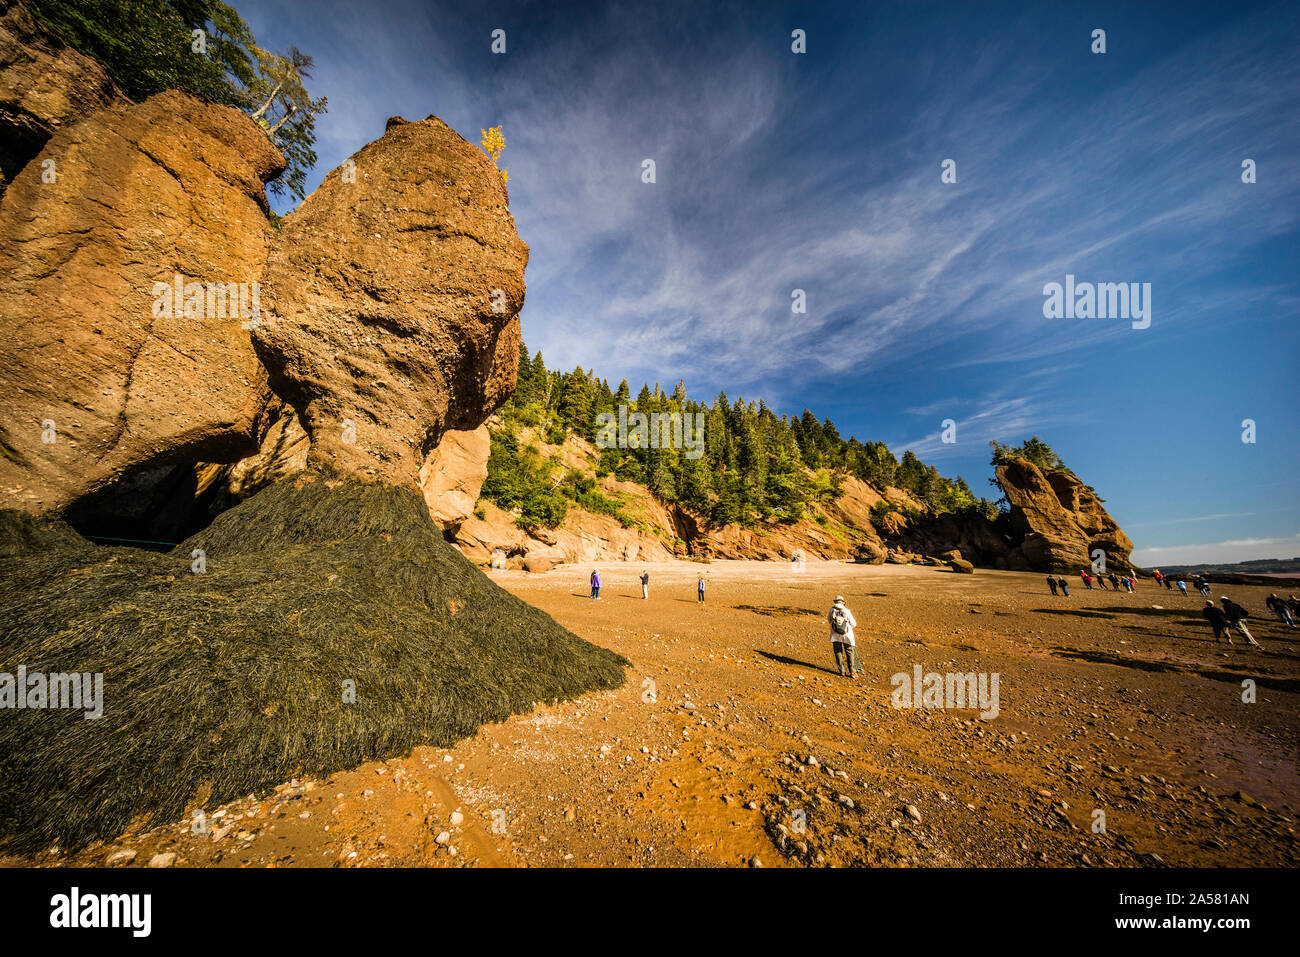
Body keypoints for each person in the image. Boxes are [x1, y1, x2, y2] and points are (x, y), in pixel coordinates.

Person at [828, 595, 859, 679]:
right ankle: (852, 672)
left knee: (838, 651)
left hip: (835, 635)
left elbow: (829, 620)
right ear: (843, 602)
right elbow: (854, 624)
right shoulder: (847, 611)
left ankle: (842, 670)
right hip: (847, 635)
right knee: (849, 651)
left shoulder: (831, 609)